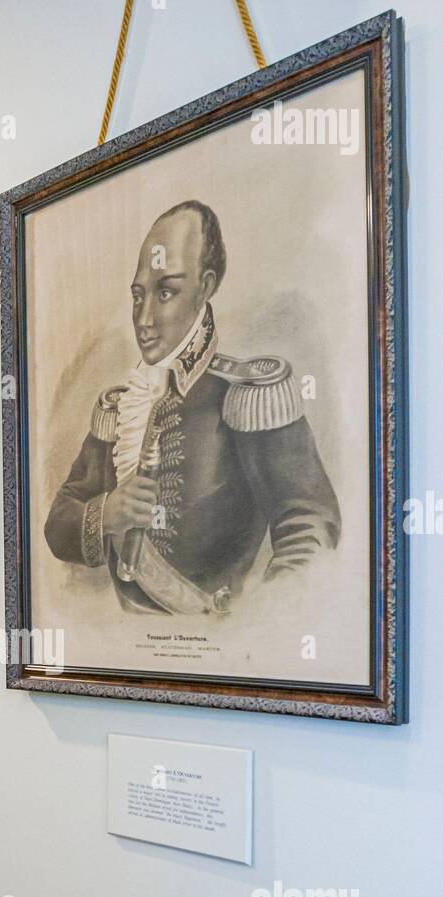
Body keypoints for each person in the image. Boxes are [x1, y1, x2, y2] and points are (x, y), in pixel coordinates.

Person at [44, 199, 341, 617]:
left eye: (166, 292)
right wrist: (107, 512)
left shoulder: (246, 393)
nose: (144, 318)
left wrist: (260, 627)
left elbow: (309, 527)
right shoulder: (120, 403)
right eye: (138, 295)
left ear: (205, 285)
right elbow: (58, 525)